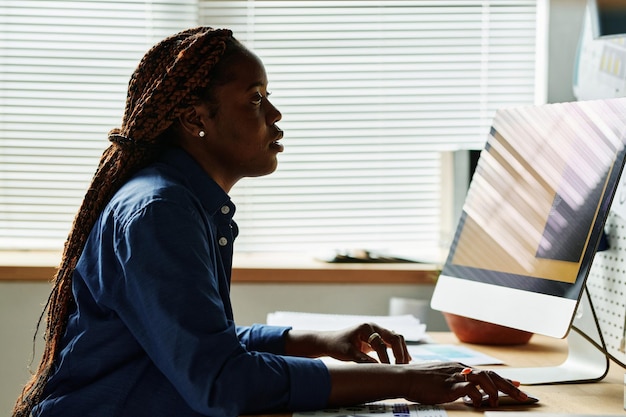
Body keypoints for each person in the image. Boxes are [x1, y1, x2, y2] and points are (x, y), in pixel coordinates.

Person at [12, 27, 528, 417]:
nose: (276, 115)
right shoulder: (160, 213)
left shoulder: (181, 201)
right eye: (256, 100)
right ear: (196, 119)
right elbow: (220, 380)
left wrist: (311, 340)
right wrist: (407, 381)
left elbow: (201, 344)